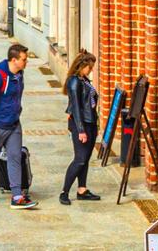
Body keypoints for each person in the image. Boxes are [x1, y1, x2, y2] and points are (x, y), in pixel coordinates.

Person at [0, 43, 35, 208]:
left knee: (15, 157)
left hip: (14, 125)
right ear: (14, 60)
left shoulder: (20, 75)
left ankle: (17, 196)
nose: (26, 63)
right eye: (24, 60)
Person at [61, 50, 102, 205]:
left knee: (85, 160)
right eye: (89, 67)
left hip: (90, 122)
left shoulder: (83, 80)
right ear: (82, 66)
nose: (91, 70)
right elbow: (76, 108)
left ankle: (82, 190)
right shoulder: (74, 82)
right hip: (81, 124)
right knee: (80, 159)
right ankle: (64, 192)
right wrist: (81, 130)